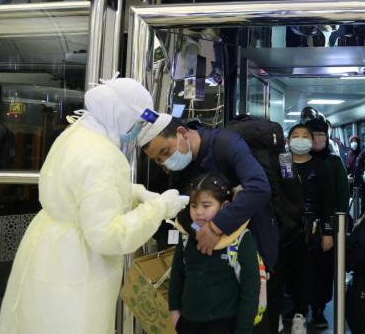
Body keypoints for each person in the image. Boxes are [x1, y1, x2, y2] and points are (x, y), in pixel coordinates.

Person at [0, 78, 188, 334]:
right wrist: (160, 208)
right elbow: (108, 236)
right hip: (76, 263)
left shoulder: (77, 134)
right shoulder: (103, 156)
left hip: (47, 247)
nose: (137, 130)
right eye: (139, 122)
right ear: (122, 114)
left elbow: (80, 191)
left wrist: (135, 193)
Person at [138, 113, 277, 265]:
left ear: (182, 133)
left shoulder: (227, 145)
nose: (166, 162)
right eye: (158, 160)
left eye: (165, 152)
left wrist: (216, 226)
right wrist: (196, 230)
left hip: (250, 249)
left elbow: (258, 187)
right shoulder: (178, 170)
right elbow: (185, 213)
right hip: (211, 259)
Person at [169, 173, 261, 334]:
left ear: (224, 206)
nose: (198, 212)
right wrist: (174, 312)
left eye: (206, 206)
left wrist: (243, 329)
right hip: (188, 323)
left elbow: (251, 290)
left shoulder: (240, 239)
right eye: (193, 206)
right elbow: (177, 276)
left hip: (225, 324)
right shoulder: (186, 237)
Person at [278, 124, 335, 333]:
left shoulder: (321, 167)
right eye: (296, 135)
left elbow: (328, 203)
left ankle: (306, 313)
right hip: (286, 227)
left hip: (312, 229)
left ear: (311, 142)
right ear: (288, 140)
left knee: (310, 271)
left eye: (305, 136)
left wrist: (328, 232)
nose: (300, 139)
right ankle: (289, 310)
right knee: (286, 272)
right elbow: (280, 194)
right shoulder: (284, 162)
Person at [303, 116, 346, 328]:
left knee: (323, 270)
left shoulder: (334, 163)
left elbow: (341, 198)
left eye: (321, 134)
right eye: (313, 135)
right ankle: (300, 306)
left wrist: (333, 230)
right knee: (302, 268)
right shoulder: (295, 160)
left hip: (326, 226)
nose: (317, 139)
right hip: (301, 225)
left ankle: (319, 309)